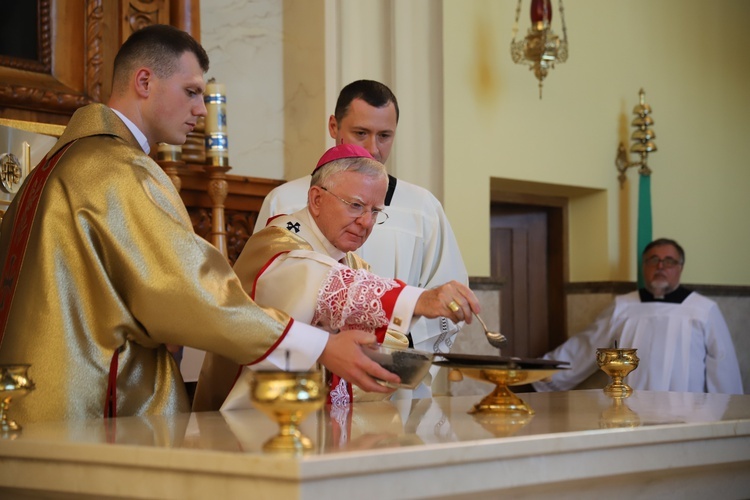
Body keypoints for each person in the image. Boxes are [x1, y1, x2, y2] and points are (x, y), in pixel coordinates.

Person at [0, 24, 398, 423]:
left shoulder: (55, 165)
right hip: (92, 407)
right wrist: (320, 347)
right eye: (191, 92)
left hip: (32, 400)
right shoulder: (117, 170)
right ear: (144, 81)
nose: (201, 110)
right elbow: (196, 294)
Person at [195, 144, 479, 410]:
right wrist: (419, 299)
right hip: (252, 420)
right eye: (355, 205)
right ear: (316, 199)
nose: (366, 222)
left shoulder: (351, 261)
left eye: (374, 211)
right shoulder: (277, 243)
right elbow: (316, 279)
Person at [253, 80, 469, 397]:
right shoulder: (284, 203)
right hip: (300, 382)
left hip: (389, 383)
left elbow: (448, 292)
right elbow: (299, 282)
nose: (372, 148)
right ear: (334, 126)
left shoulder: (423, 208)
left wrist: (401, 341)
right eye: (360, 133)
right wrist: (415, 301)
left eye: (384, 136)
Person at [533, 238, 743, 394]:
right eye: (653, 260)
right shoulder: (624, 306)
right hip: (629, 410)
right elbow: (587, 345)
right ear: (644, 267)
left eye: (669, 261)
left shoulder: (703, 309)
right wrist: (537, 373)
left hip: (686, 412)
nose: (660, 267)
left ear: (680, 268)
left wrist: (725, 414)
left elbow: (723, 367)